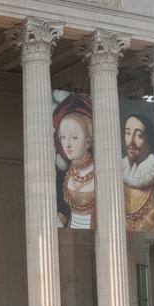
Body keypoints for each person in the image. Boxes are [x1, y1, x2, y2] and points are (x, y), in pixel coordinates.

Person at [53, 93, 95, 229]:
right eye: (63, 137)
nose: (67, 145)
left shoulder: (100, 172)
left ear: (88, 141)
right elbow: (63, 209)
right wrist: (60, 217)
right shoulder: (63, 174)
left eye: (74, 137)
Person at [122, 111, 154, 232]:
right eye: (128, 133)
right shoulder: (120, 171)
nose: (131, 141)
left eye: (139, 135)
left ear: (149, 140)